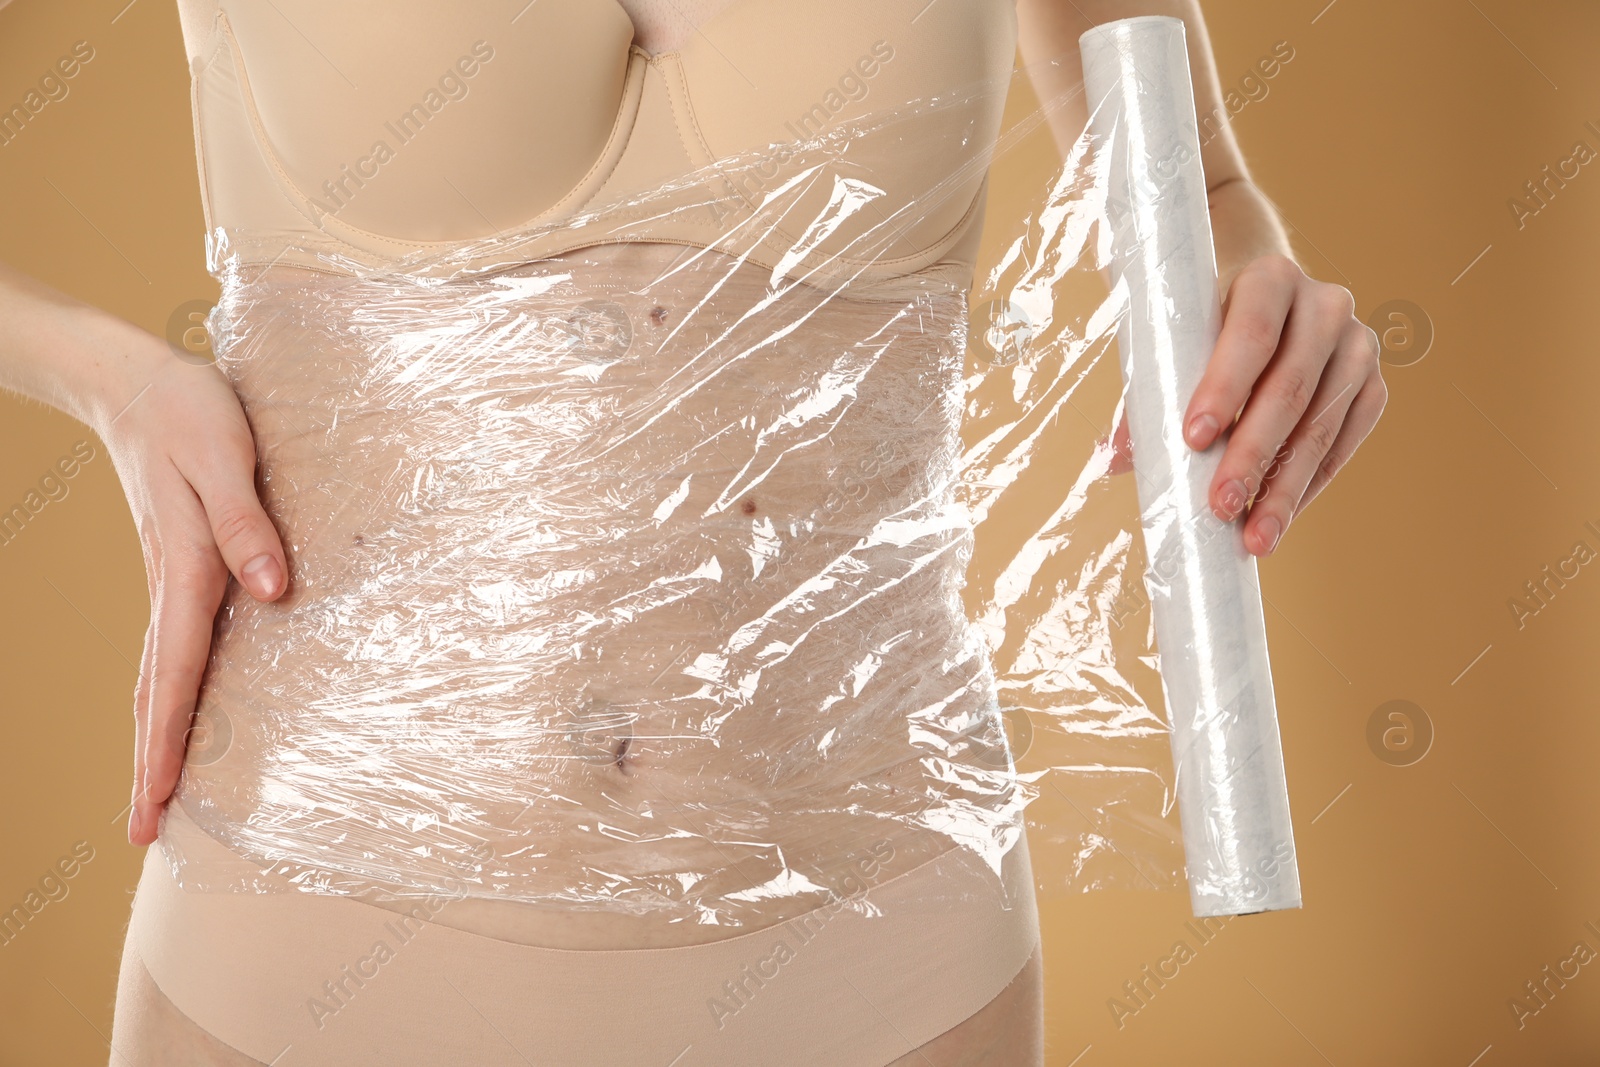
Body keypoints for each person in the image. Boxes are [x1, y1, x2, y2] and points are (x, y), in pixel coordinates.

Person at [0, 0, 1384, 1063]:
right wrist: (113, 382)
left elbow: (1192, 192)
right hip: (301, 968)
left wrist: (1267, 303)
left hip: (893, 971)